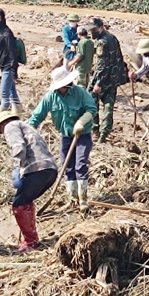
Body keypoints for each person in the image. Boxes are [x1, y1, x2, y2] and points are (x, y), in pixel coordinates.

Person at [29, 67, 96, 210]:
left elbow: (92, 109)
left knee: (80, 164)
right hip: (66, 135)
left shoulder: (80, 92)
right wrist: (29, 131)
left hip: (82, 135)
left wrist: (81, 122)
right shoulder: (51, 97)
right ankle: (72, 199)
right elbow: (37, 116)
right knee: (67, 166)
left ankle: (83, 200)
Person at [0, 109, 58, 251]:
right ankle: (31, 238)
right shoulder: (27, 127)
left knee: (19, 204)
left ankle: (30, 241)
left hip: (36, 169)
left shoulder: (11, 126)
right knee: (26, 200)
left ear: (2, 125)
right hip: (50, 169)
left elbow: (18, 147)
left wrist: (17, 167)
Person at [87, 16, 129, 143]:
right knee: (108, 105)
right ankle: (104, 134)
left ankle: (95, 132)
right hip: (114, 78)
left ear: (101, 27)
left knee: (91, 102)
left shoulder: (102, 42)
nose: (92, 32)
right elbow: (119, 58)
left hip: (104, 79)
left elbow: (102, 64)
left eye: (94, 29)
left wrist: (98, 82)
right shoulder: (112, 38)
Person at [70, 20, 95, 92]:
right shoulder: (90, 42)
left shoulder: (82, 42)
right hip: (88, 67)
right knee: (86, 85)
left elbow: (80, 55)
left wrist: (71, 63)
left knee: (79, 85)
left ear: (79, 34)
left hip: (81, 68)